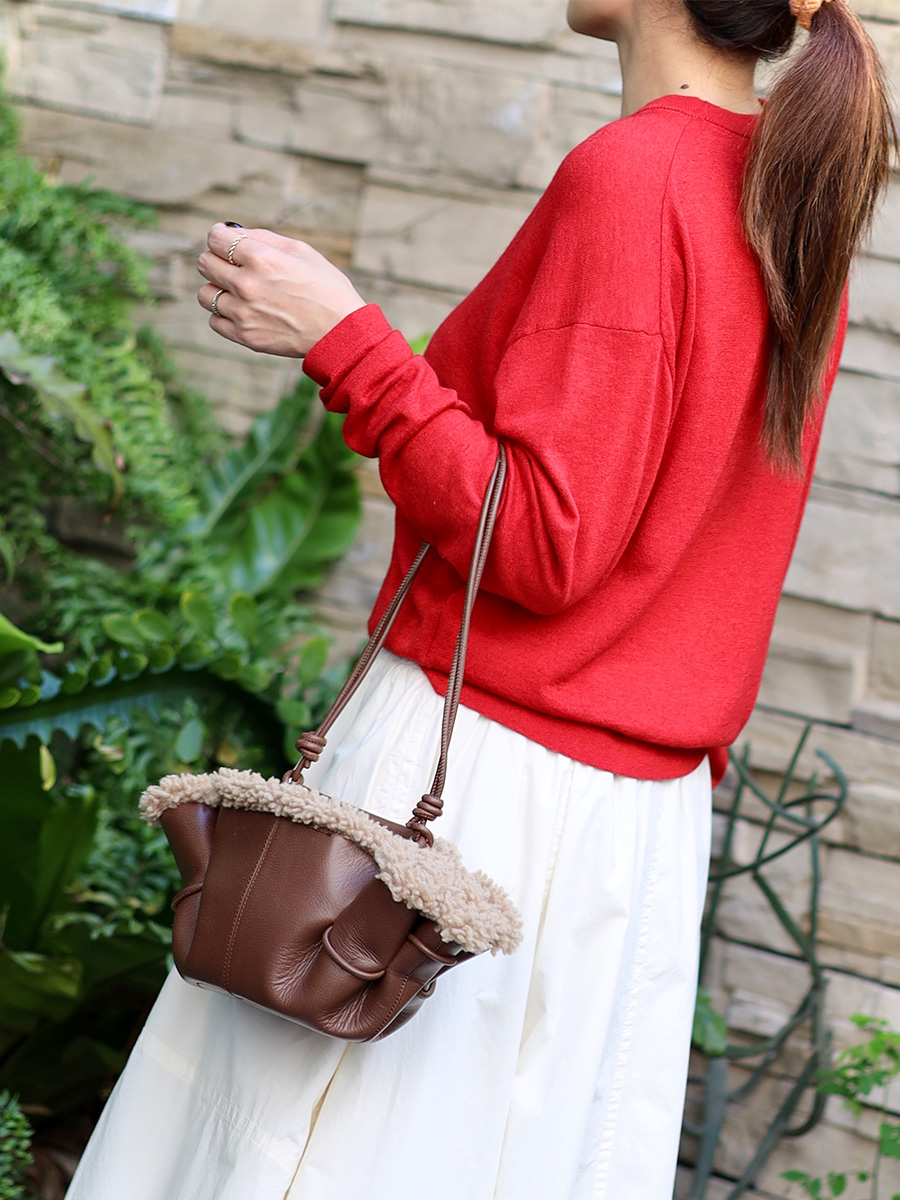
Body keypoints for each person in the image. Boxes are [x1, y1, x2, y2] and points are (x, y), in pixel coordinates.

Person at [67, 2, 896, 1197]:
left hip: (477, 788)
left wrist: (344, 340)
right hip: (629, 824)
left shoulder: (637, 175)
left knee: (308, 1156)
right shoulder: (787, 183)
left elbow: (545, 542)